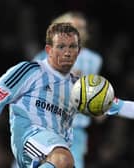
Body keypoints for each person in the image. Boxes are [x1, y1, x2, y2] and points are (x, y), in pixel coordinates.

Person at [0, 23, 133, 168]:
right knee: (63, 158)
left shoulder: (81, 88)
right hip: (29, 138)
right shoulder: (30, 71)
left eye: (72, 47)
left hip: (54, 155)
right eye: (61, 46)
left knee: (63, 160)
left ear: (79, 51)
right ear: (48, 50)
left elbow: (121, 106)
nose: (67, 52)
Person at [32, 11, 134, 168]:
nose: (79, 32)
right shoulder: (41, 58)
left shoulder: (93, 60)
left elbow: (93, 95)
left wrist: (98, 107)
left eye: (83, 28)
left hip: (75, 131)